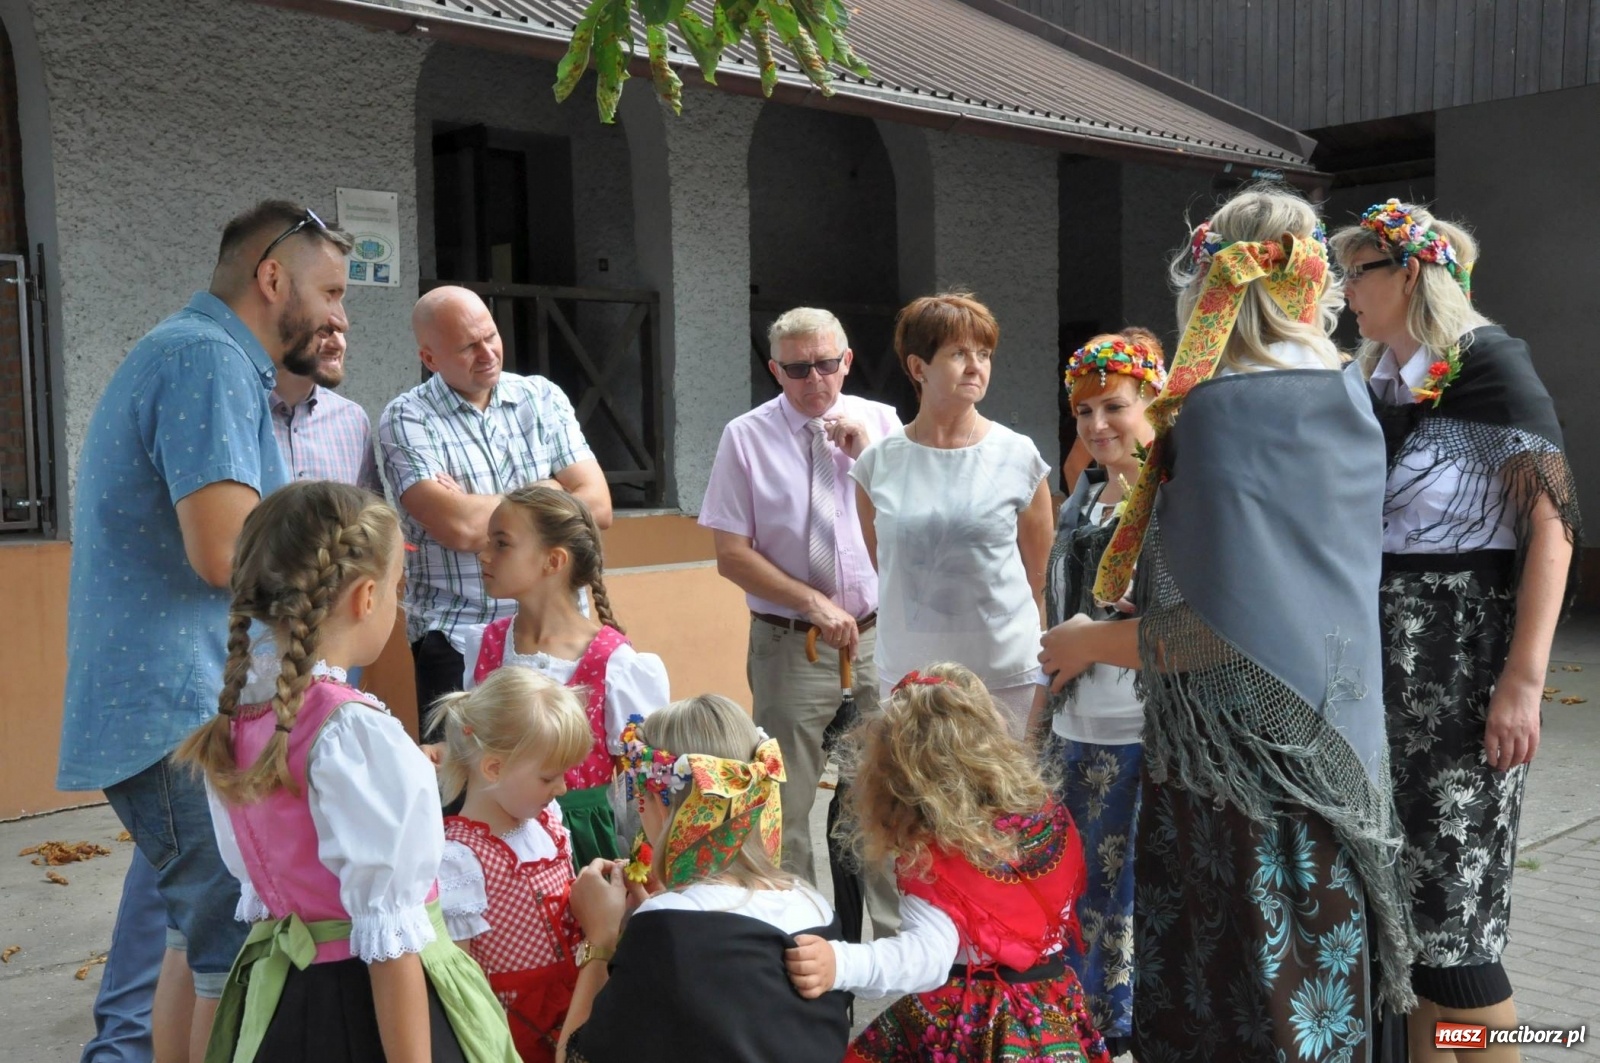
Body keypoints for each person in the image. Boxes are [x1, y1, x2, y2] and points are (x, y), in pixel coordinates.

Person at [1039, 185, 1418, 1062]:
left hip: (1236, 773)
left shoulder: (1210, 410)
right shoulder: (1350, 390)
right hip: (1339, 745)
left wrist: (1086, 641)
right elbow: (1285, 585)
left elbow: (1209, 637)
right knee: (1326, 998)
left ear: (1210, 282)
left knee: (1248, 1006)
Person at [58, 200, 351, 1063]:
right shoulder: (207, 360)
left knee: (196, 940)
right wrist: (347, 580)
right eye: (330, 290)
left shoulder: (198, 355)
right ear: (270, 278)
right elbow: (229, 551)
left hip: (176, 705)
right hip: (180, 705)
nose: (339, 314)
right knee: (233, 947)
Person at [1332, 200, 1579, 1062]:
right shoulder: (1369, 387)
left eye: (1357, 271)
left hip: (1461, 678)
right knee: (1404, 937)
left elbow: (1554, 527)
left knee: (1458, 945)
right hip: (1377, 682)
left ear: (1409, 274)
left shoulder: (1490, 365)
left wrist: (1523, 680)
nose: (1343, 289)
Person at [176, 481, 516, 1063]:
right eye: (397, 590)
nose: (395, 605)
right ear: (364, 597)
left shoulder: (242, 718)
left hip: (288, 996)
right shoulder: (352, 732)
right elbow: (390, 941)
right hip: (373, 1008)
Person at [785, 662, 1110, 1062]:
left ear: (898, 778)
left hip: (972, 1025)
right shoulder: (1046, 819)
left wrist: (842, 963)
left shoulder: (935, 859)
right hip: (1050, 1007)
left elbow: (926, 958)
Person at [698, 306, 901, 936]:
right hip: (794, 642)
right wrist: (813, 604)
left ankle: (904, 947)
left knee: (889, 793)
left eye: (826, 364)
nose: (814, 380)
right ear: (774, 370)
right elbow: (732, 554)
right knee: (785, 802)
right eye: (796, 369)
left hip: (876, 635)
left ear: (846, 360)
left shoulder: (884, 423)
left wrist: (870, 460)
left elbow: (911, 520)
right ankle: (804, 936)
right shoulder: (746, 436)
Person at [555, 695, 851, 1063]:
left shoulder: (665, 928)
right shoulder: (814, 906)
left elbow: (575, 1057)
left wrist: (600, 940)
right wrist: (658, 915)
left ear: (657, 801)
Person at [377, 286, 613, 738]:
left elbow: (598, 506)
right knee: (467, 794)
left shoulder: (541, 398)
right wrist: (550, 490)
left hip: (559, 635)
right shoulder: (407, 418)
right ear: (430, 358)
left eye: (490, 335)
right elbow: (460, 528)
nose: (487, 352)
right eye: (468, 345)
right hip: (459, 636)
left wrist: (483, 502)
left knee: (563, 788)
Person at [1024, 327, 1166, 1056]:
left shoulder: (1175, 498)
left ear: (1153, 401)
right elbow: (1057, 623)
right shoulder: (1081, 499)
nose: (1097, 424)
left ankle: (1124, 1031)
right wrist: (1035, 726)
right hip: (1077, 736)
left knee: (1131, 902)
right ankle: (1081, 1032)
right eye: (1083, 412)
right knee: (1076, 895)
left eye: (1114, 405)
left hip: (1150, 738)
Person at [852, 292, 1055, 737]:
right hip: (911, 677)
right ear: (917, 367)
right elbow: (886, 565)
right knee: (917, 802)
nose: (975, 366)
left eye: (983, 354)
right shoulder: (876, 464)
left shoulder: (1018, 456)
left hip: (1004, 675)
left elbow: (1043, 576)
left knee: (1005, 801)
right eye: (958, 353)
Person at [458, 484, 669, 864]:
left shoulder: (615, 665)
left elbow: (645, 781)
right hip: (492, 840)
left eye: (502, 543)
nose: (484, 554)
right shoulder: (483, 646)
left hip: (582, 847)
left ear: (553, 561)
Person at [430, 668, 594, 1063]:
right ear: (493, 769)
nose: (563, 788)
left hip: (573, 1006)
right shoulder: (459, 860)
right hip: (512, 1029)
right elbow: (458, 983)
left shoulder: (548, 823)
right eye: (548, 777)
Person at [270, 325, 381, 492]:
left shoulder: (353, 419)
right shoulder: (238, 415)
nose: (338, 343)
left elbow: (371, 513)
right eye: (323, 331)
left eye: (340, 331)